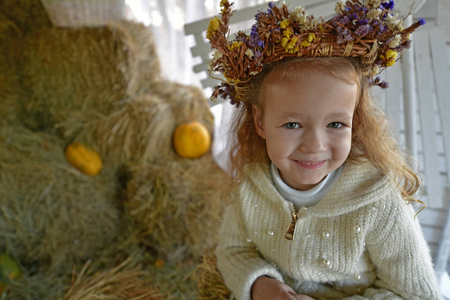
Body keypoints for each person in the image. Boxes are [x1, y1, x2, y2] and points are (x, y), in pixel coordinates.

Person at [206, 0, 441, 299]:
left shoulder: (378, 202)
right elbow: (233, 250)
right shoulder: (252, 187)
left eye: (335, 125)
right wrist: (260, 284)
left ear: (355, 122)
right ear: (260, 121)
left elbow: (417, 294)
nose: (315, 146)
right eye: (292, 125)